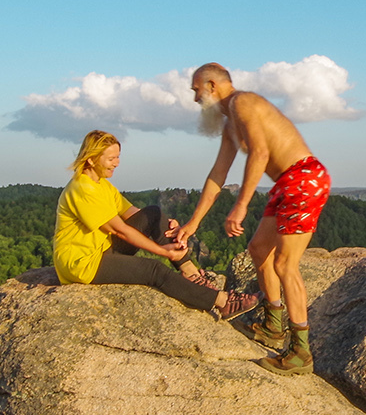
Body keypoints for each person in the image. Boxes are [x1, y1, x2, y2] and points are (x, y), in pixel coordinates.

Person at [172, 62, 331, 376]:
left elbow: (259, 152)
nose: (195, 99)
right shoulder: (230, 122)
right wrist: (193, 223)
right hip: (287, 183)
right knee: (259, 250)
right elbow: (218, 174)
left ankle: (301, 351)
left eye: (196, 90)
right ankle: (273, 325)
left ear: (213, 85)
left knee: (285, 264)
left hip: (304, 178)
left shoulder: (243, 103)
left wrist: (241, 205)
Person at [53, 130, 257, 319]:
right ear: (91, 159)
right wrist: (163, 251)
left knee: (153, 212)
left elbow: (133, 214)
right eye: (111, 158)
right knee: (154, 270)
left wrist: (168, 225)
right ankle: (222, 302)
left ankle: (191, 273)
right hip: (82, 263)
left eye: (118, 156)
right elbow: (120, 230)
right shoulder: (82, 189)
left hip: (102, 250)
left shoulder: (101, 185)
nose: (117, 163)